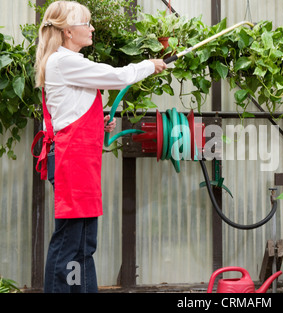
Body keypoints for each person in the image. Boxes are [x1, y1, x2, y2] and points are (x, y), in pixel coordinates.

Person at [32, 1, 167, 293]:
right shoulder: (64, 61)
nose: (92, 28)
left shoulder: (65, 62)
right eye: (87, 23)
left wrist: (97, 122)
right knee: (70, 242)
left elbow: (68, 112)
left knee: (83, 242)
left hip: (78, 160)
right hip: (71, 161)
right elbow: (116, 77)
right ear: (68, 31)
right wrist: (149, 65)